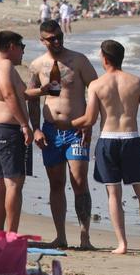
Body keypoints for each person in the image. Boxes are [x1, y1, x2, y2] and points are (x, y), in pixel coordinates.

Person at [69, 39, 140, 255]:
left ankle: (122, 244)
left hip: (108, 139)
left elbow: (90, 119)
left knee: (114, 195)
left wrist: (69, 123)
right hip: (131, 139)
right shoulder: (137, 82)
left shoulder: (97, 85)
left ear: (104, 58)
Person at [25, 19, 99, 249]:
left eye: (59, 37)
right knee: (56, 183)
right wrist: (35, 128)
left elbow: (96, 91)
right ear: (42, 40)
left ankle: (85, 235)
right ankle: (61, 236)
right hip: (50, 131)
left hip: (76, 131)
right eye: (51, 38)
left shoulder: (78, 60)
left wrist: (89, 124)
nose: (57, 41)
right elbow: (32, 98)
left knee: (79, 181)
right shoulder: (37, 65)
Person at [0, 31, 33, 232]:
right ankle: (11, 234)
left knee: (2, 182)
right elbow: (9, 95)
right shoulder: (5, 66)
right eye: (22, 47)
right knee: (14, 183)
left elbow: (15, 94)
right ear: (11, 46)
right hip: (6, 130)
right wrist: (25, 125)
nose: (22, 52)